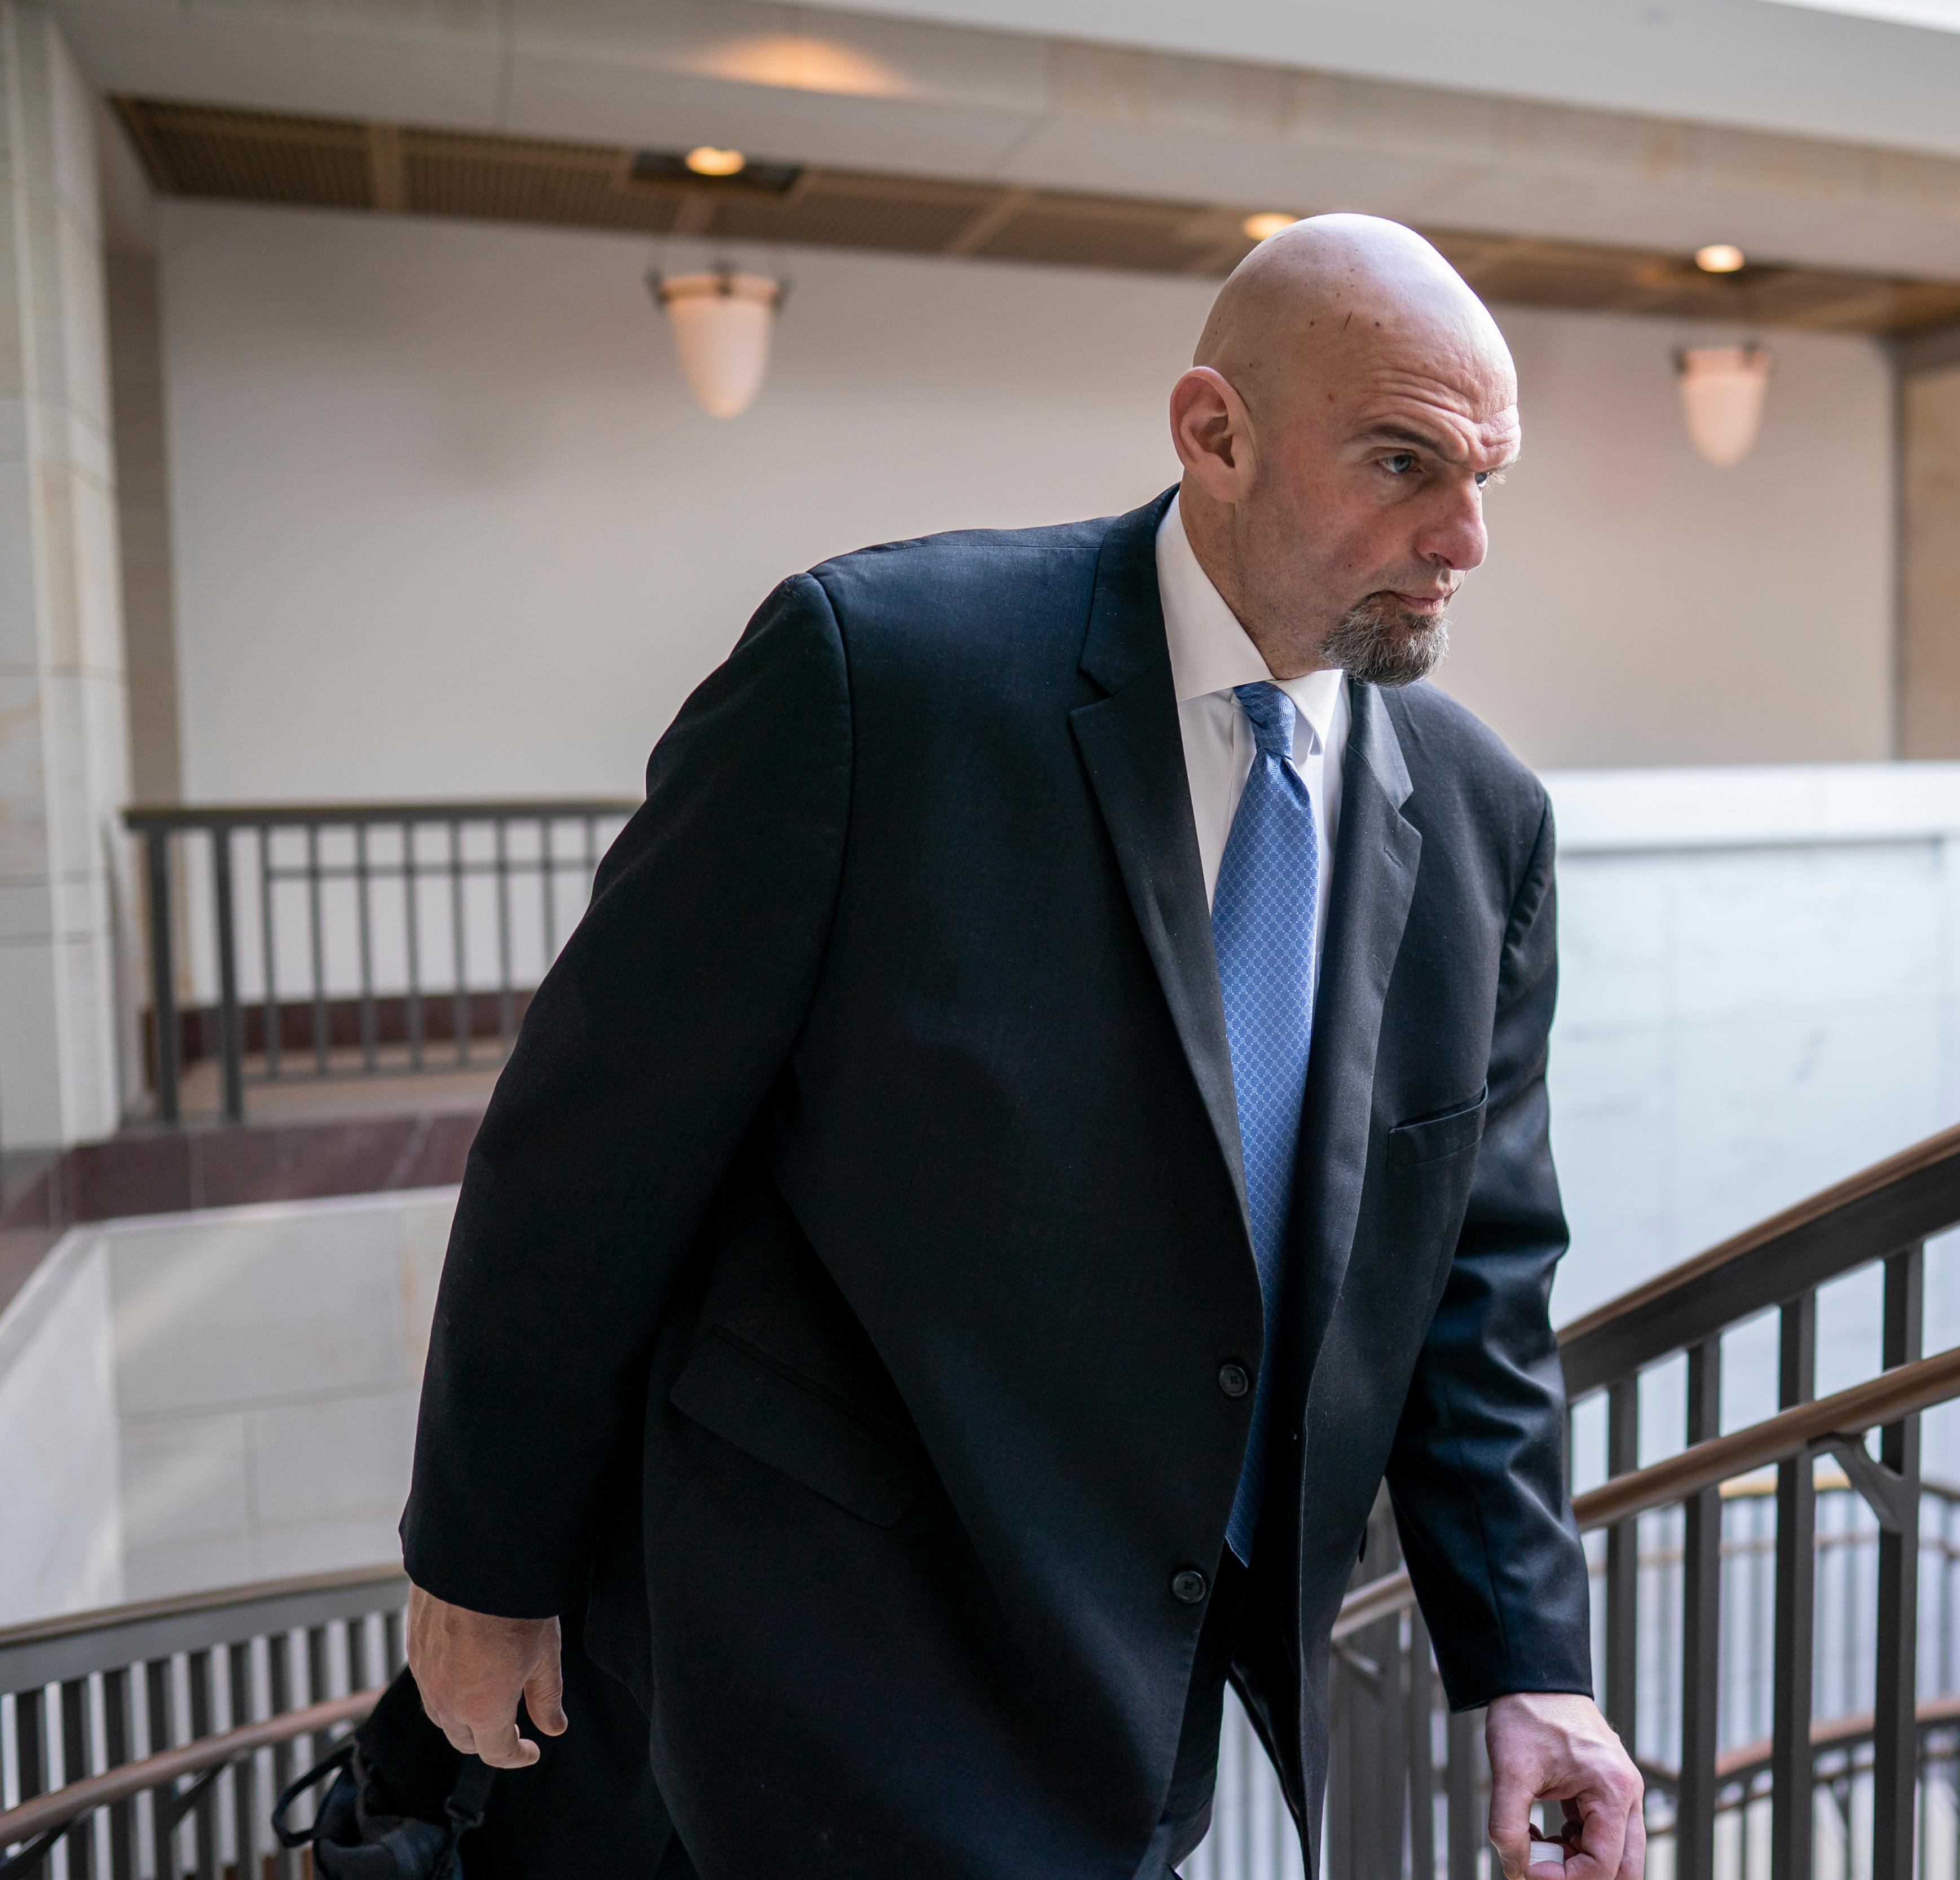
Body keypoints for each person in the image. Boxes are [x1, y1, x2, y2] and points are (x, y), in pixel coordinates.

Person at [398, 213, 1645, 1879]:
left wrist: (1530, 1665)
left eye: (1488, 476)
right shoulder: (878, 677)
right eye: (1407, 463)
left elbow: (1476, 1291)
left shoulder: (1487, 821)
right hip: (829, 1665)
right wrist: (487, 1565)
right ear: (1215, 431)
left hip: (1152, 1708)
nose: (1466, 538)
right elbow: (589, 1154)